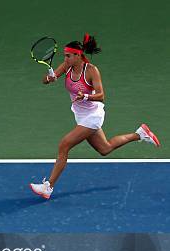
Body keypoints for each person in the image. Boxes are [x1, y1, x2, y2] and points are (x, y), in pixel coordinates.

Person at [30, 33, 160, 199]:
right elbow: (47, 80)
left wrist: (84, 96)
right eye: (65, 56)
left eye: (69, 56)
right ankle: (140, 134)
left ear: (78, 55)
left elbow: (101, 95)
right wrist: (49, 78)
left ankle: (48, 187)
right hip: (80, 115)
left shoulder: (91, 70)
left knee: (64, 145)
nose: (66, 59)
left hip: (93, 115)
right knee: (104, 149)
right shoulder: (67, 66)